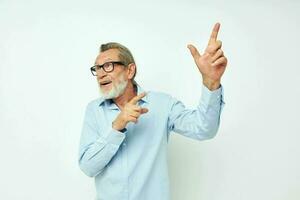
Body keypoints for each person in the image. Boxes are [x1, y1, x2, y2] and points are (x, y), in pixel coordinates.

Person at [78, 23, 227, 200]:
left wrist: (210, 82)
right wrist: (117, 126)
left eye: (108, 66)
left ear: (130, 70)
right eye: (97, 68)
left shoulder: (162, 104)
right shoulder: (94, 110)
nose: (101, 74)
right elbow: (88, 167)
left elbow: (204, 129)